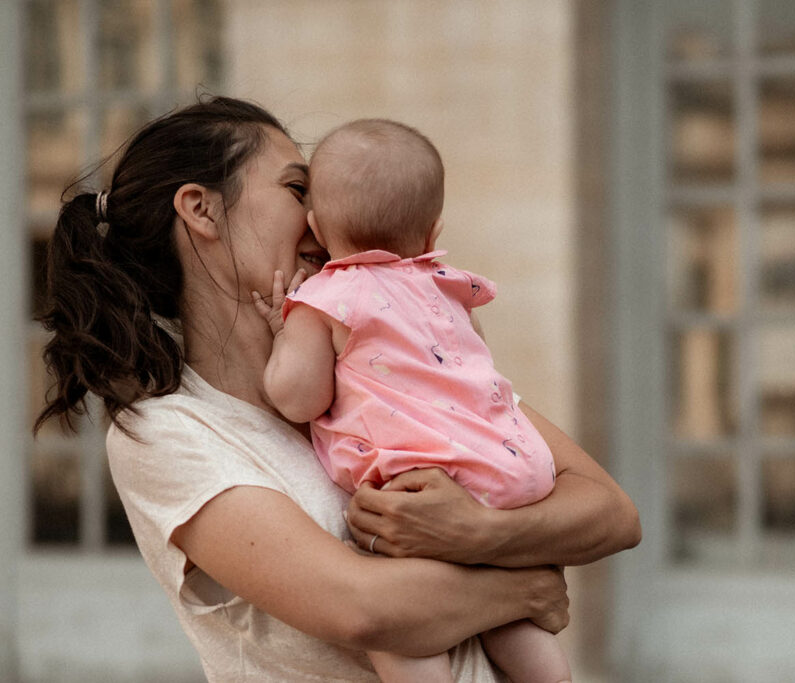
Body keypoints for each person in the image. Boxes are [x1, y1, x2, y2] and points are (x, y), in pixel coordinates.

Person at [33, 96, 641, 682]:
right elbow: (361, 607)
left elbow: (610, 513)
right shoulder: (166, 433)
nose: (324, 213)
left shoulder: (392, 358)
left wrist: (483, 534)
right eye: (299, 189)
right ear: (201, 209)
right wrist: (524, 582)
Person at [256, 119, 569, 683]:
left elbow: (296, 398)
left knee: (400, 630)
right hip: (504, 469)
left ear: (315, 228)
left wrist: (283, 333)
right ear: (432, 234)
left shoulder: (327, 297)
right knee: (509, 617)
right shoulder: (443, 286)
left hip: (417, 484)